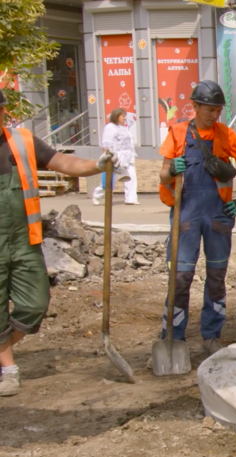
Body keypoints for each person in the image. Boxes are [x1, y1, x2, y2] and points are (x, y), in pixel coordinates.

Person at [0, 89, 118, 395]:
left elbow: (63, 163)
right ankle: (8, 367)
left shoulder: (22, 141)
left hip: (24, 241)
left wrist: (97, 164)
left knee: (35, 304)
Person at [157, 80, 236, 357]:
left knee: (216, 277)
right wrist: (172, 170)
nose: (214, 115)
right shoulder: (178, 133)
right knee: (180, 278)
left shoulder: (226, 135)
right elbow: (163, 174)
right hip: (186, 216)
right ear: (195, 106)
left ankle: (212, 336)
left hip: (217, 217)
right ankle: (172, 338)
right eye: (209, 109)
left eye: (218, 110)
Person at [95, 107, 138, 205]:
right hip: (117, 158)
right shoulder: (110, 127)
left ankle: (131, 199)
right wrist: (109, 157)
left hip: (128, 157)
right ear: (117, 116)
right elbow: (106, 144)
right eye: (123, 116)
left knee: (131, 177)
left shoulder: (124, 128)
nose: (124, 118)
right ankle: (97, 194)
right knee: (111, 180)